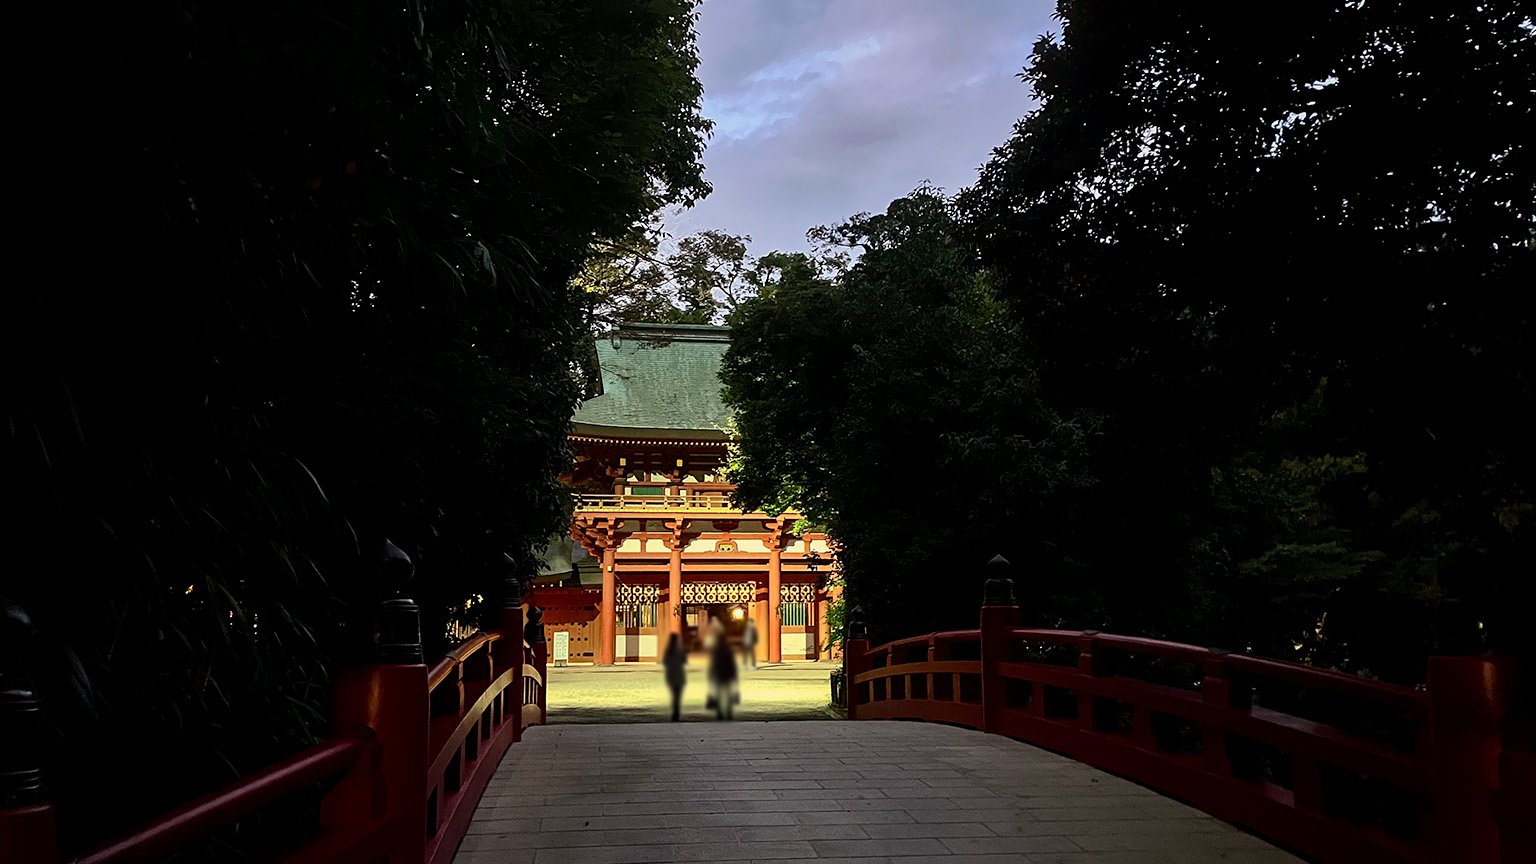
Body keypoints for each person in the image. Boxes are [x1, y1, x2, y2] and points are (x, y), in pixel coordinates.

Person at [707, 632, 739, 720]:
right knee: (728, 694)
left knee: (719, 694)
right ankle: (728, 713)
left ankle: (720, 713)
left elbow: (713, 664)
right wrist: (734, 675)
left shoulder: (716, 651)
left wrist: (711, 675)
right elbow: (732, 664)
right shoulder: (728, 651)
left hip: (719, 674)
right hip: (727, 674)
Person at [661, 632, 687, 722]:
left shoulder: (668, 651)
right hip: (679, 676)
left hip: (671, 676)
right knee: (678, 697)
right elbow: (684, 660)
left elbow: (665, 662)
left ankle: (674, 714)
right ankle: (677, 714)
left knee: (673, 696)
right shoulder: (680, 650)